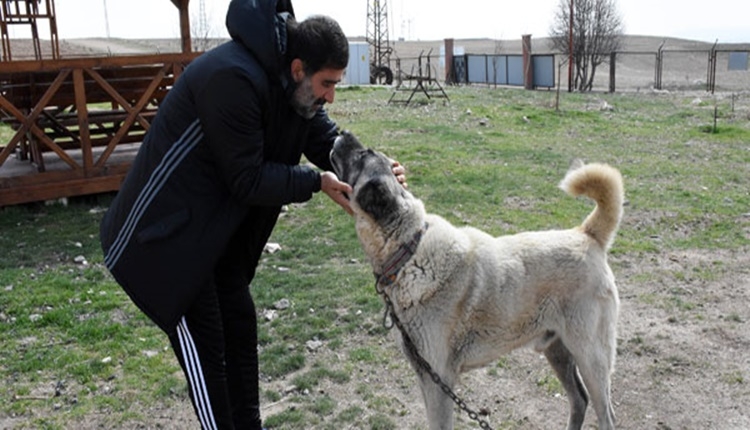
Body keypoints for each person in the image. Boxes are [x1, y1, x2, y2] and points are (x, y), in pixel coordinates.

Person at [99, 0, 405, 428]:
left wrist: (377, 168)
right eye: (327, 83)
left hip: (210, 237)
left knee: (239, 328)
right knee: (209, 354)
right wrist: (314, 182)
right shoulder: (232, 79)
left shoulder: (295, 94)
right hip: (164, 244)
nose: (331, 95)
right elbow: (246, 179)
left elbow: (329, 142)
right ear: (299, 68)